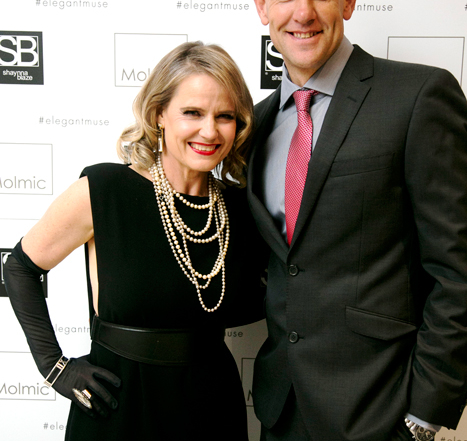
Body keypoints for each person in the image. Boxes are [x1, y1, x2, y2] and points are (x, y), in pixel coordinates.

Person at [4, 41, 266, 441]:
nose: (210, 131)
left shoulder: (240, 208)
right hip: (118, 405)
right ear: (159, 113)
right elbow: (20, 267)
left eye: (225, 116)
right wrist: (55, 367)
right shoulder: (105, 189)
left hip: (212, 406)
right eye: (192, 112)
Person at [247, 1, 467, 440]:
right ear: (262, 7)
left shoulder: (419, 95)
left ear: (348, 3)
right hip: (281, 412)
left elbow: (458, 269)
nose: (303, 13)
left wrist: (423, 417)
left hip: (379, 412)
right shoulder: (254, 122)